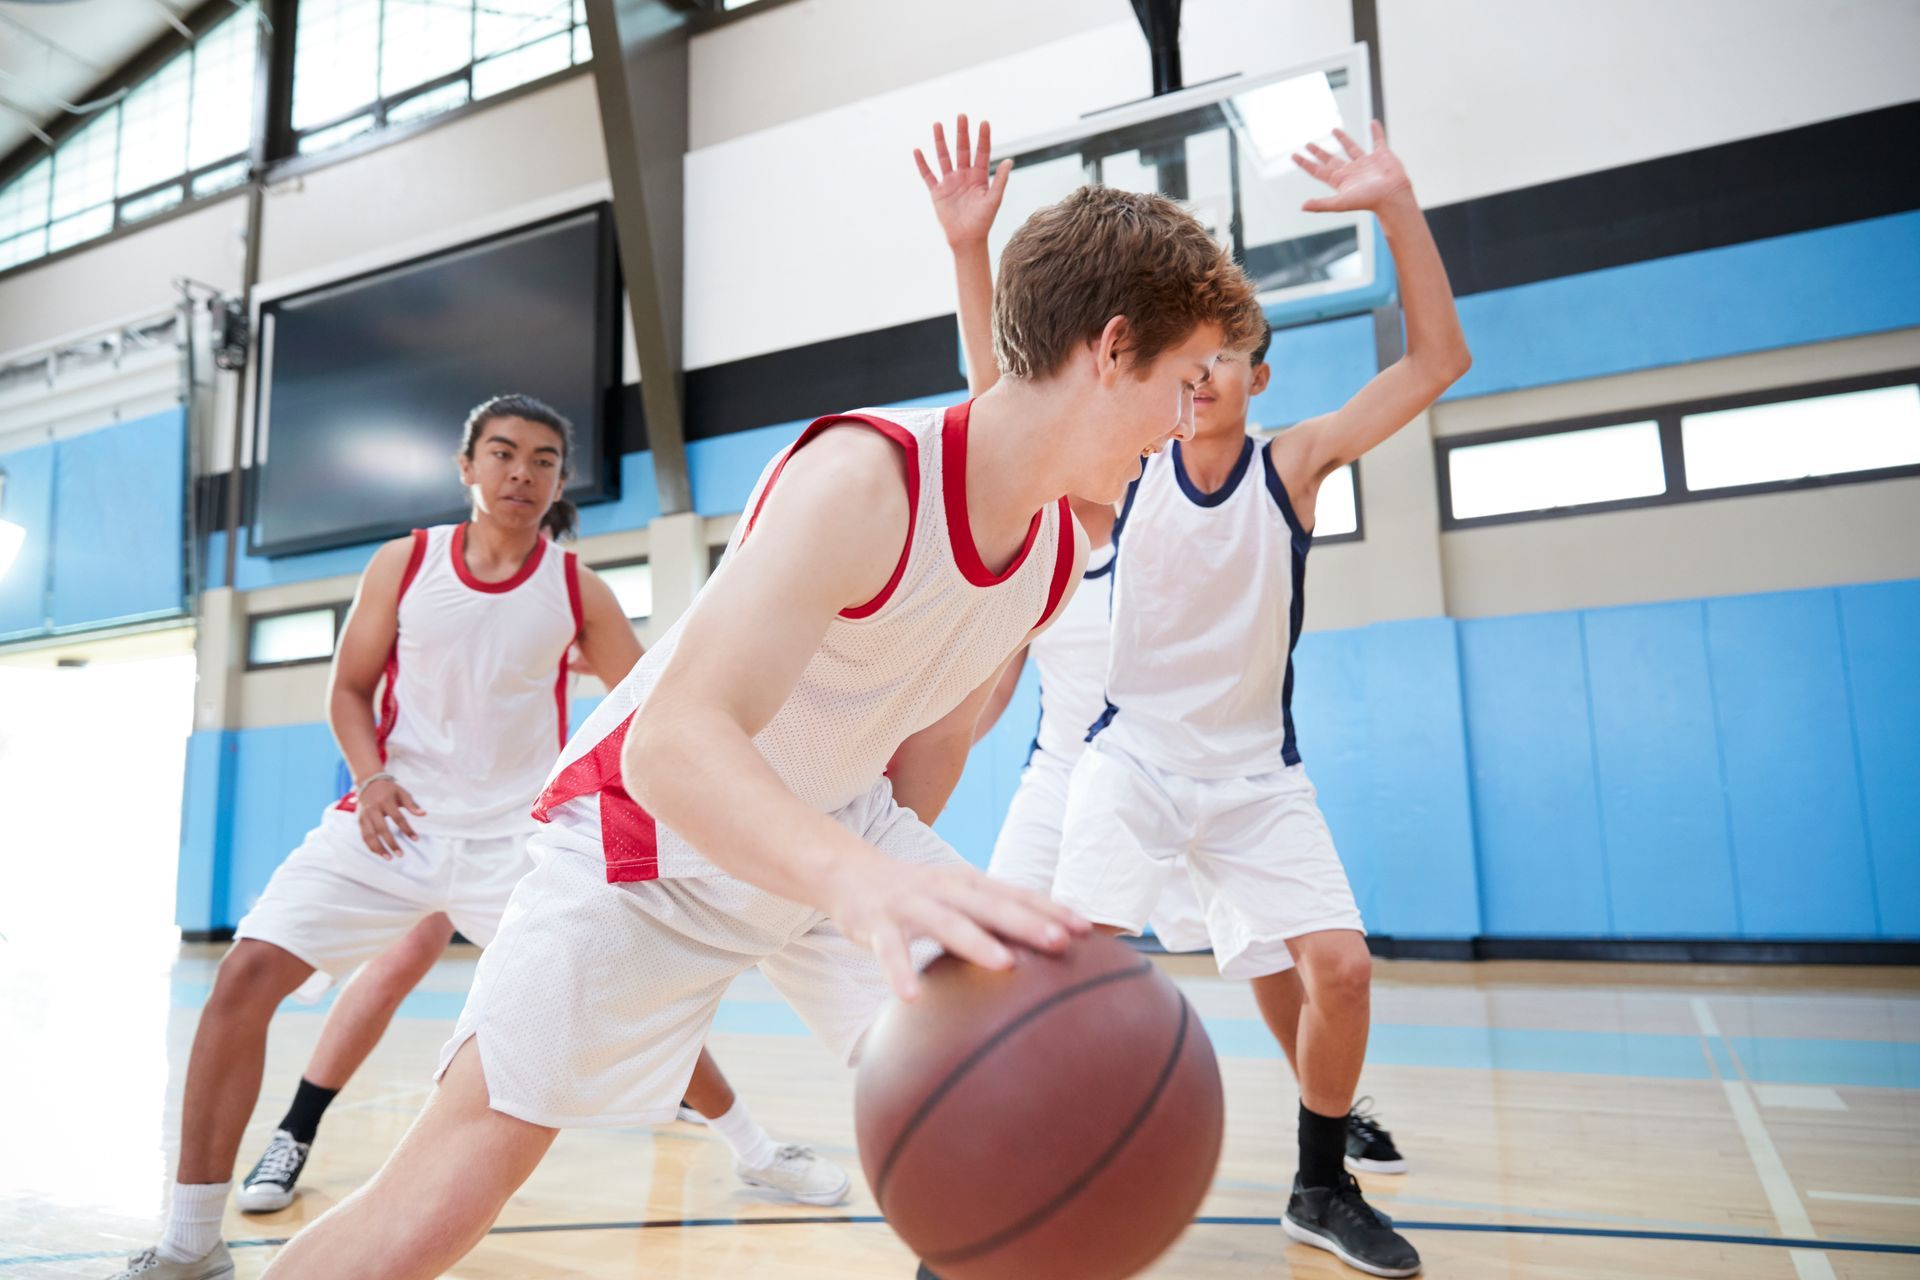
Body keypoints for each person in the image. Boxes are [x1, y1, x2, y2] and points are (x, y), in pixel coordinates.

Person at [258, 179, 1263, 1280]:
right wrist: (856, 883)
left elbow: (926, 739)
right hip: (640, 852)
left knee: (1041, 1099)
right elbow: (670, 742)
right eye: (1183, 382)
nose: (1185, 421)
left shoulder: (1055, 551)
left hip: (832, 836)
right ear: (1113, 349)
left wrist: (867, 891)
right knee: (433, 1207)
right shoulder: (862, 478)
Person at [113, 396, 842, 1280]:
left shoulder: (578, 589)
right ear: (467, 466)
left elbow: (659, 700)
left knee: (622, 1002)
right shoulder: (405, 563)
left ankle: (756, 1149)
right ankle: (192, 1243)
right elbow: (349, 688)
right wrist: (371, 775)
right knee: (244, 977)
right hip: (393, 824)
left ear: (559, 481)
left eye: (542, 461)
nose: (521, 475)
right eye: (502, 454)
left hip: (517, 846)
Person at [923, 115, 1413, 1188]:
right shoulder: (1082, 507)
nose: (1195, 388)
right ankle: (1011, 1140)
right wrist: (970, 252)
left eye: (1220, 364)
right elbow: (998, 402)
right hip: (1085, 771)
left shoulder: (1202, 489)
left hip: (1213, 762)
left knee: (1279, 953)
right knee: (1017, 970)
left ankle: (1323, 1117)